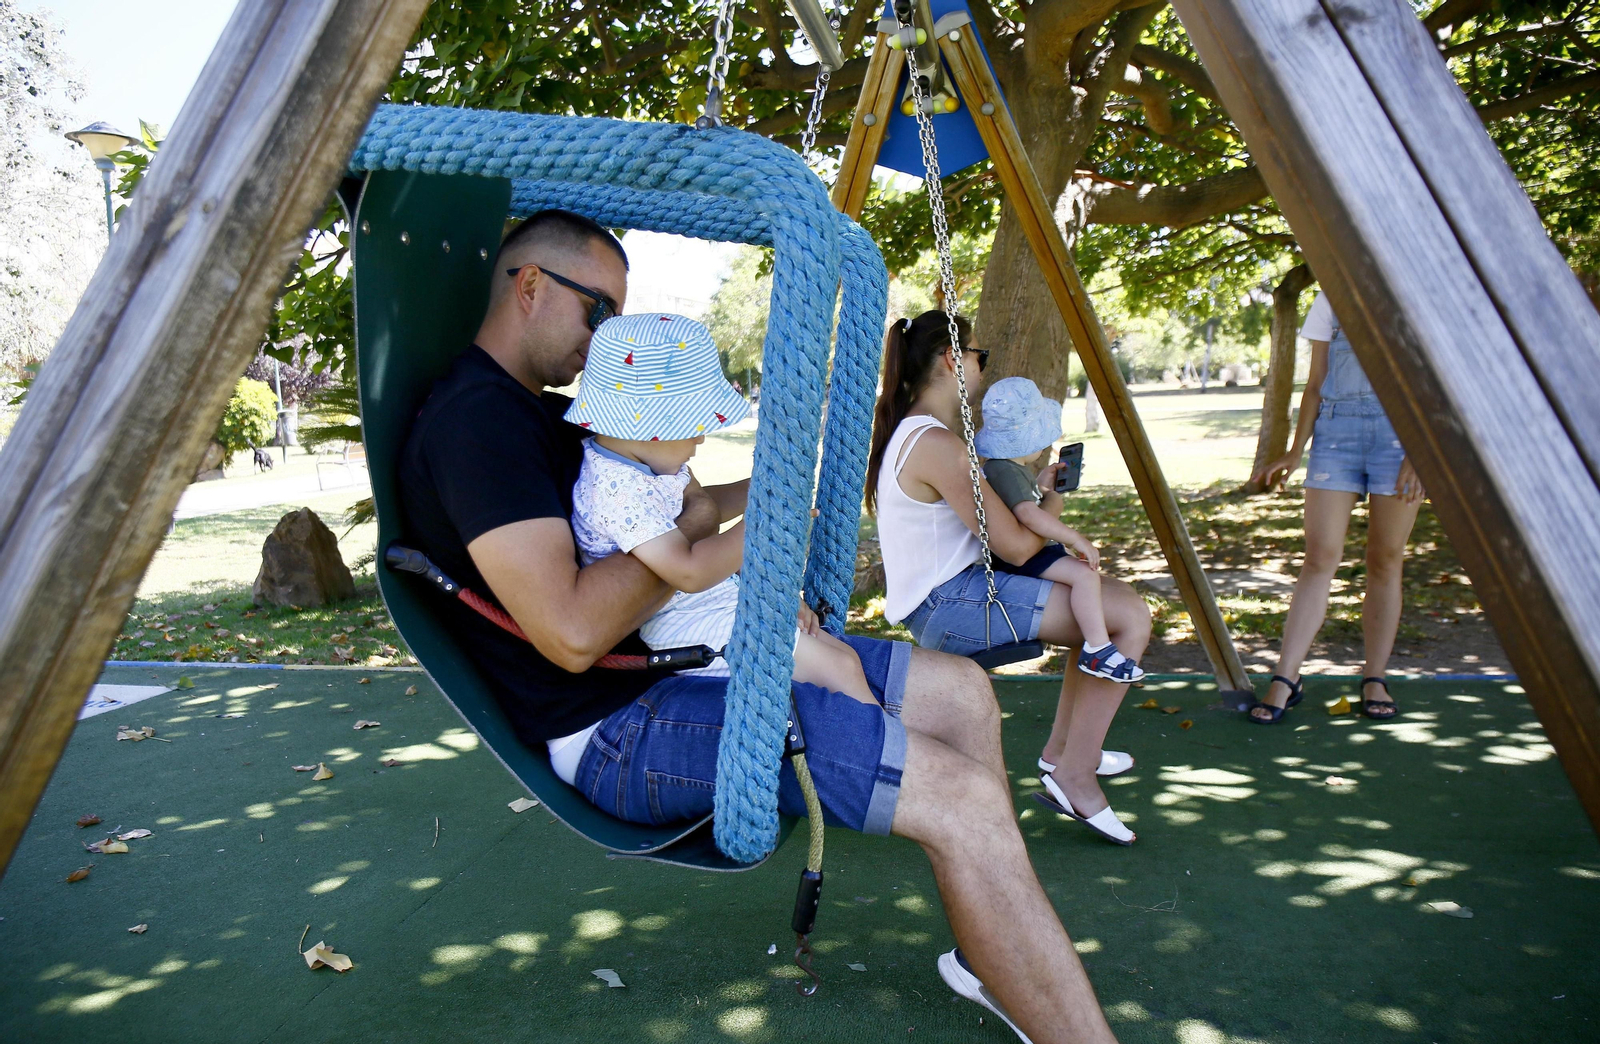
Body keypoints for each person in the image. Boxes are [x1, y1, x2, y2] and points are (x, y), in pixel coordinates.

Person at [397, 210, 1119, 1044]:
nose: (607, 339)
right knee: (957, 796)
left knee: (961, 693)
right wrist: (728, 540)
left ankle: (993, 954)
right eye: (601, 313)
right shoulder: (475, 425)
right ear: (531, 286)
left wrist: (776, 483)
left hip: (689, 658)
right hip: (616, 723)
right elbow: (572, 632)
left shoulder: (551, 414)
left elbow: (683, 508)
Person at [547, 311, 872, 780]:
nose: (702, 436)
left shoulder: (644, 462)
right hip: (679, 623)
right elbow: (688, 570)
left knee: (840, 659)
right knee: (830, 668)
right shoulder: (615, 488)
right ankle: (876, 762)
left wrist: (768, 488)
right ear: (650, 424)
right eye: (693, 423)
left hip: (707, 602)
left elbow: (706, 506)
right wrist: (766, 526)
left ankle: (872, 746)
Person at [867, 312, 1151, 847]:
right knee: (1127, 616)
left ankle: (1066, 754)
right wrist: (1053, 507)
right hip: (950, 605)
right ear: (955, 360)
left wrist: (1040, 498)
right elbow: (1019, 545)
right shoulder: (937, 444)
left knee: (1113, 607)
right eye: (980, 355)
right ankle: (1074, 771)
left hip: (955, 592)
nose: (981, 365)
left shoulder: (926, 434)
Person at [1248, 288, 1425, 723]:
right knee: (1320, 554)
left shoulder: (1421, 293)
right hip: (1335, 436)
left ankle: (1374, 676)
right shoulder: (1332, 296)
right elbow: (1314, 385)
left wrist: (1421, 454)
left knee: (1385, 559)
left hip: (1400, 439)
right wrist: (1294, 452)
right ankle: (1287, 678)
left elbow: (1433, 385)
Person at [976, 376, 1144, 684]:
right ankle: (1097, 649)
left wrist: (1041, 487)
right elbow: (1028, 514)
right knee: (1083, 575)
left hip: (1027, 553)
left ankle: (1097, 646)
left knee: (1081, 576)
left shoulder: (1007, 469)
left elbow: (1026, 504)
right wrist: (1075, 537)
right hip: (1023, 557)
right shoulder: (1004, 469)